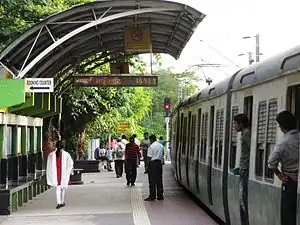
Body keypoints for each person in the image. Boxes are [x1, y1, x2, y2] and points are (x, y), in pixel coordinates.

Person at [268, 111, 299, 225]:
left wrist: (279, 174)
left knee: (288, 215)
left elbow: (271, 162)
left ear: (281, 126)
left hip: (290, 182)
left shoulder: (283, 142)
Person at [232, 114, 250, 225]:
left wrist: (245, 166)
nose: (234, 126)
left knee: (243, 198)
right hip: (243, 168)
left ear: (241, 124)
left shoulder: (245, 135)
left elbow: (250, 150)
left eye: (235, 123)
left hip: (245, 169)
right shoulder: (244, 134)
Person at [46, 140, 74, 209]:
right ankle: (62, 202)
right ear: (63, 146)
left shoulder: (51, 155)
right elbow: (70, 163)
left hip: (56, 174)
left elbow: (49, 165)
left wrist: (50, 172)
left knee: (58, 188)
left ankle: (58, 203)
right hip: (63, 174)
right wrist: (68, 171)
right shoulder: (66, 154)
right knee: (63, 188)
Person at [144, 134, 164, 201]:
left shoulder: (151, 147)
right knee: (159, 180)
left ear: (151, 139)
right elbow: (162, 155)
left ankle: (152, 195)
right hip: (159, 164)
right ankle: (160, 195)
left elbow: (149, 158)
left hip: (152, 164)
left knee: (152, 180)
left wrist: (147, 167)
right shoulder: (161, 146)